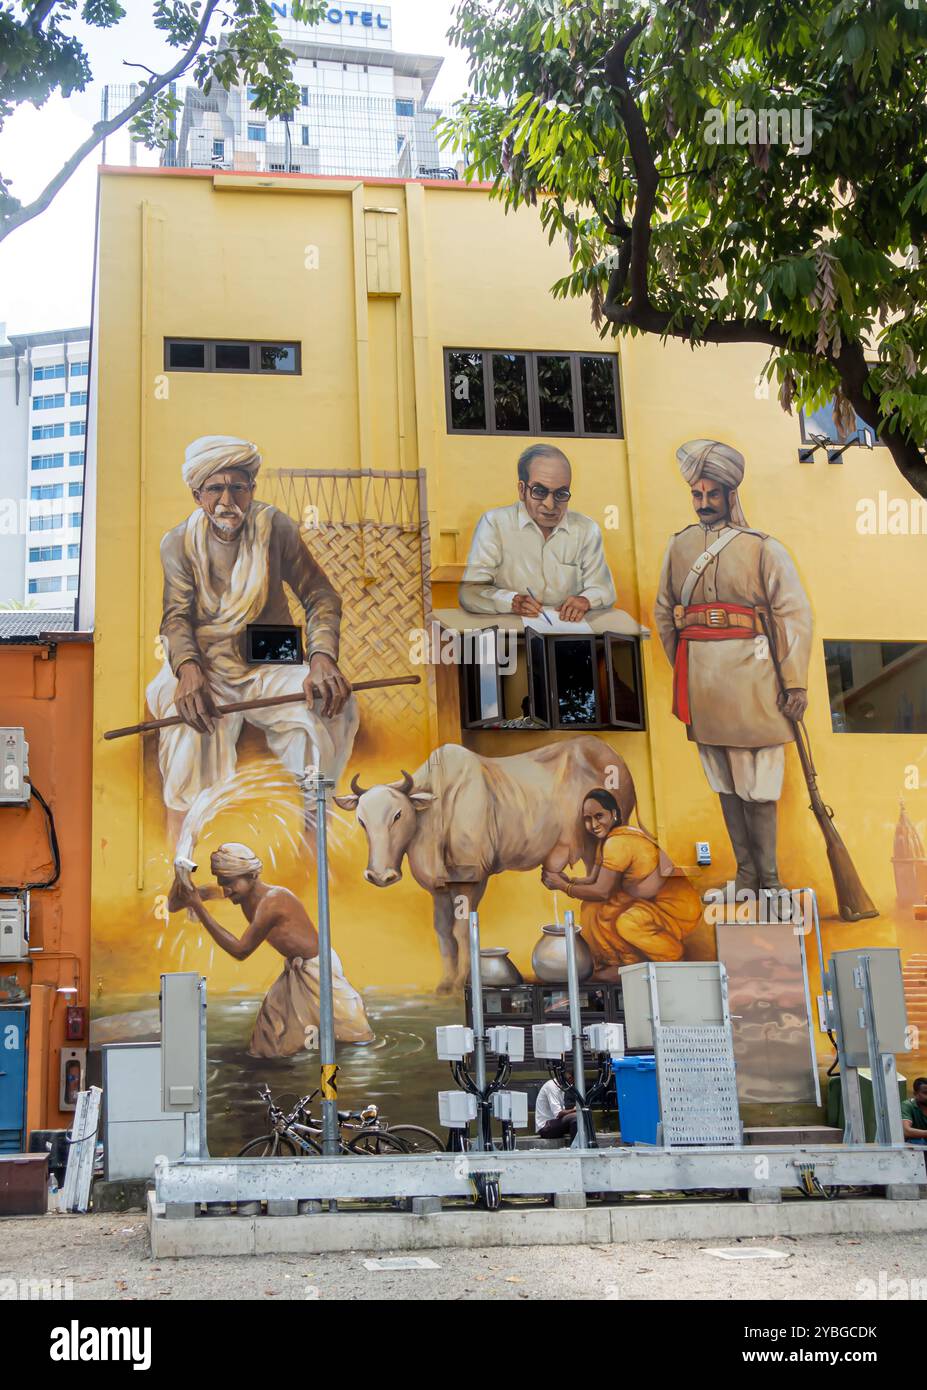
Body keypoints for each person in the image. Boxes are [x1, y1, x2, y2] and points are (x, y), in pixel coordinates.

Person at [147, 436, 359, 843]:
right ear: (197, 495)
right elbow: (175, 618)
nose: (227, 500)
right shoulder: (177, 543)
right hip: (205, 666)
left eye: (237, 487)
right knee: (186, 732)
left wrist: (321, 657)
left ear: (252, 489)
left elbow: (319, 594)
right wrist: (187, 669)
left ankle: (314, 844)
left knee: (327, 710)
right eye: (215, 489)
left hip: (268, 663)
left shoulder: (275, 528)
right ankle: (179, 859)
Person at [653, 439, 813, 897]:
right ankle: (746, 876)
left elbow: (792, 615)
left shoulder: (763, 548)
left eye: (712, 495)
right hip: (704, 686)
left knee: (757, 783)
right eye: (697, 494)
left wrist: (794, 682)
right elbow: (664, 611)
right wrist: (686, 667)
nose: (703, 503)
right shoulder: (679, 545)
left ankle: (769, 879)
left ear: (730, 495)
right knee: (722, 779)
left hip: (755, 681)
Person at [172, 841, 374, 1055]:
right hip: (294, 970)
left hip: (319, 970)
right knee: (267, 1041)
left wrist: (198, 907)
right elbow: (174, 905)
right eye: (221, 882)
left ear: (252, 876)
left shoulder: (273, 901)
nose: (226, 890)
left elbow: (241, 951)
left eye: (229, 883)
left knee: (355, 1035)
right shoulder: (238, 890)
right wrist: (181, 879)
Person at [542, 788, 702, 982]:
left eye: (599, 816)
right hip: (647, 902)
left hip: (676, 910)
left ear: (614, 814)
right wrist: (567, 880)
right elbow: (594, 881)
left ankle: (671, 955)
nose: (593, 824)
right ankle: (625, 962)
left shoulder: (618, 843)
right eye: (587, 819)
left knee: (626, 922)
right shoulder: (609, 841)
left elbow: (602, 891)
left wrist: (562, 886)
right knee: (592, 908)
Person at [458, 444, 616, 619]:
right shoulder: (495, 523)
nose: (550, 504)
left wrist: (585, 600)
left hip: (569, 630)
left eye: (561, 494)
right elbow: (469, 591)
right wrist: (510, 601)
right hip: (512, 628)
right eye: (539, 491)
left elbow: (604, 589)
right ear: (522, 490)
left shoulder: (586, 529)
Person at [535, 1077, 577, 1141]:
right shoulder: (552, 1086)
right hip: (545, 1128)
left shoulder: (561, 1088)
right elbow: (558, 1114)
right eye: (571, 1080)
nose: (572, 1083)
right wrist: (574, 1110)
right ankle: (576, 1145)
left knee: (582, 1117)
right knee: (575, 1117)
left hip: (554, 1123)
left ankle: (584, 1143)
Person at [902, 1077, 927, 1163]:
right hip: (914, 1148)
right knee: (917, 1141)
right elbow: (906, 1131)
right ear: (915, 1094)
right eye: (925, 1093)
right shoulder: (908, 1105)